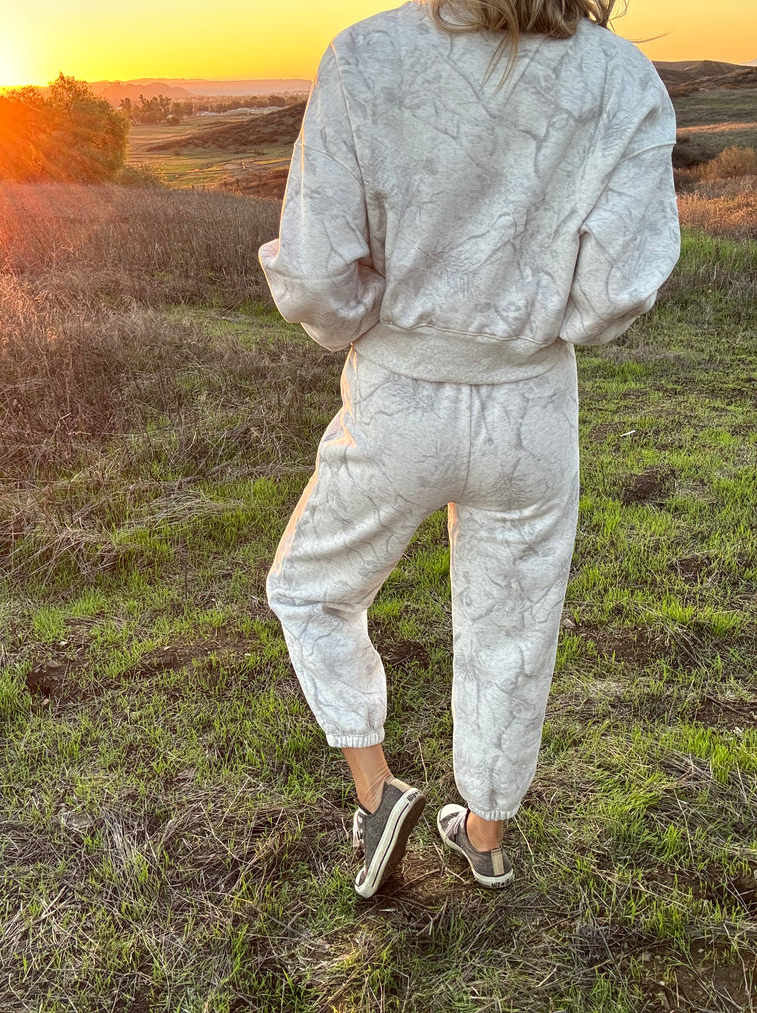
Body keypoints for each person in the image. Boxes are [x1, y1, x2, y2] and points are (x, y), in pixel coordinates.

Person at [259, 0, 680, 898]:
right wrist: (534, 325)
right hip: (531, 404)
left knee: (310, 588)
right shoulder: (619, 77)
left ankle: (378, 795)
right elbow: (617, 285)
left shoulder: (368, 56)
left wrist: (382, 325)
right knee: (514, 624)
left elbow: (316, 271)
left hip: (399, 396)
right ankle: (483, 836)